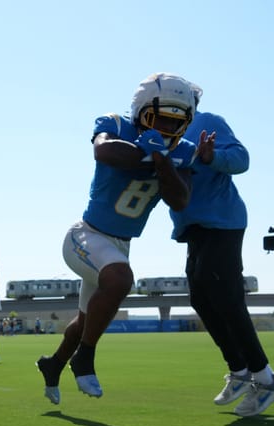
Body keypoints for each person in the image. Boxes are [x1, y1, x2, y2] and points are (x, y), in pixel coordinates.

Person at [36, 72, 195, 405]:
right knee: (121, 279)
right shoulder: (116, 125)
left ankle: (53, 364)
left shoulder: (182, 152)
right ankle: (85, 358)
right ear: (140, 111)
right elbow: (104, 151)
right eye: (159, 118)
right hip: (86, 236)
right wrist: (146, 153)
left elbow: (179, 199)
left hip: (118, 244)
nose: (166, 127)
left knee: (85, 320)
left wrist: (161, 159)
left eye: (175, 121)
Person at [167, 82, 274, 417]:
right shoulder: (163, 131)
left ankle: (266, 379)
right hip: (194, 227)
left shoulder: (209, 121)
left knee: (226, 297)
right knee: (201, 299)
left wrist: (212, 155)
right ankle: (240, 371)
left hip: (223, 221)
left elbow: (241, 158)